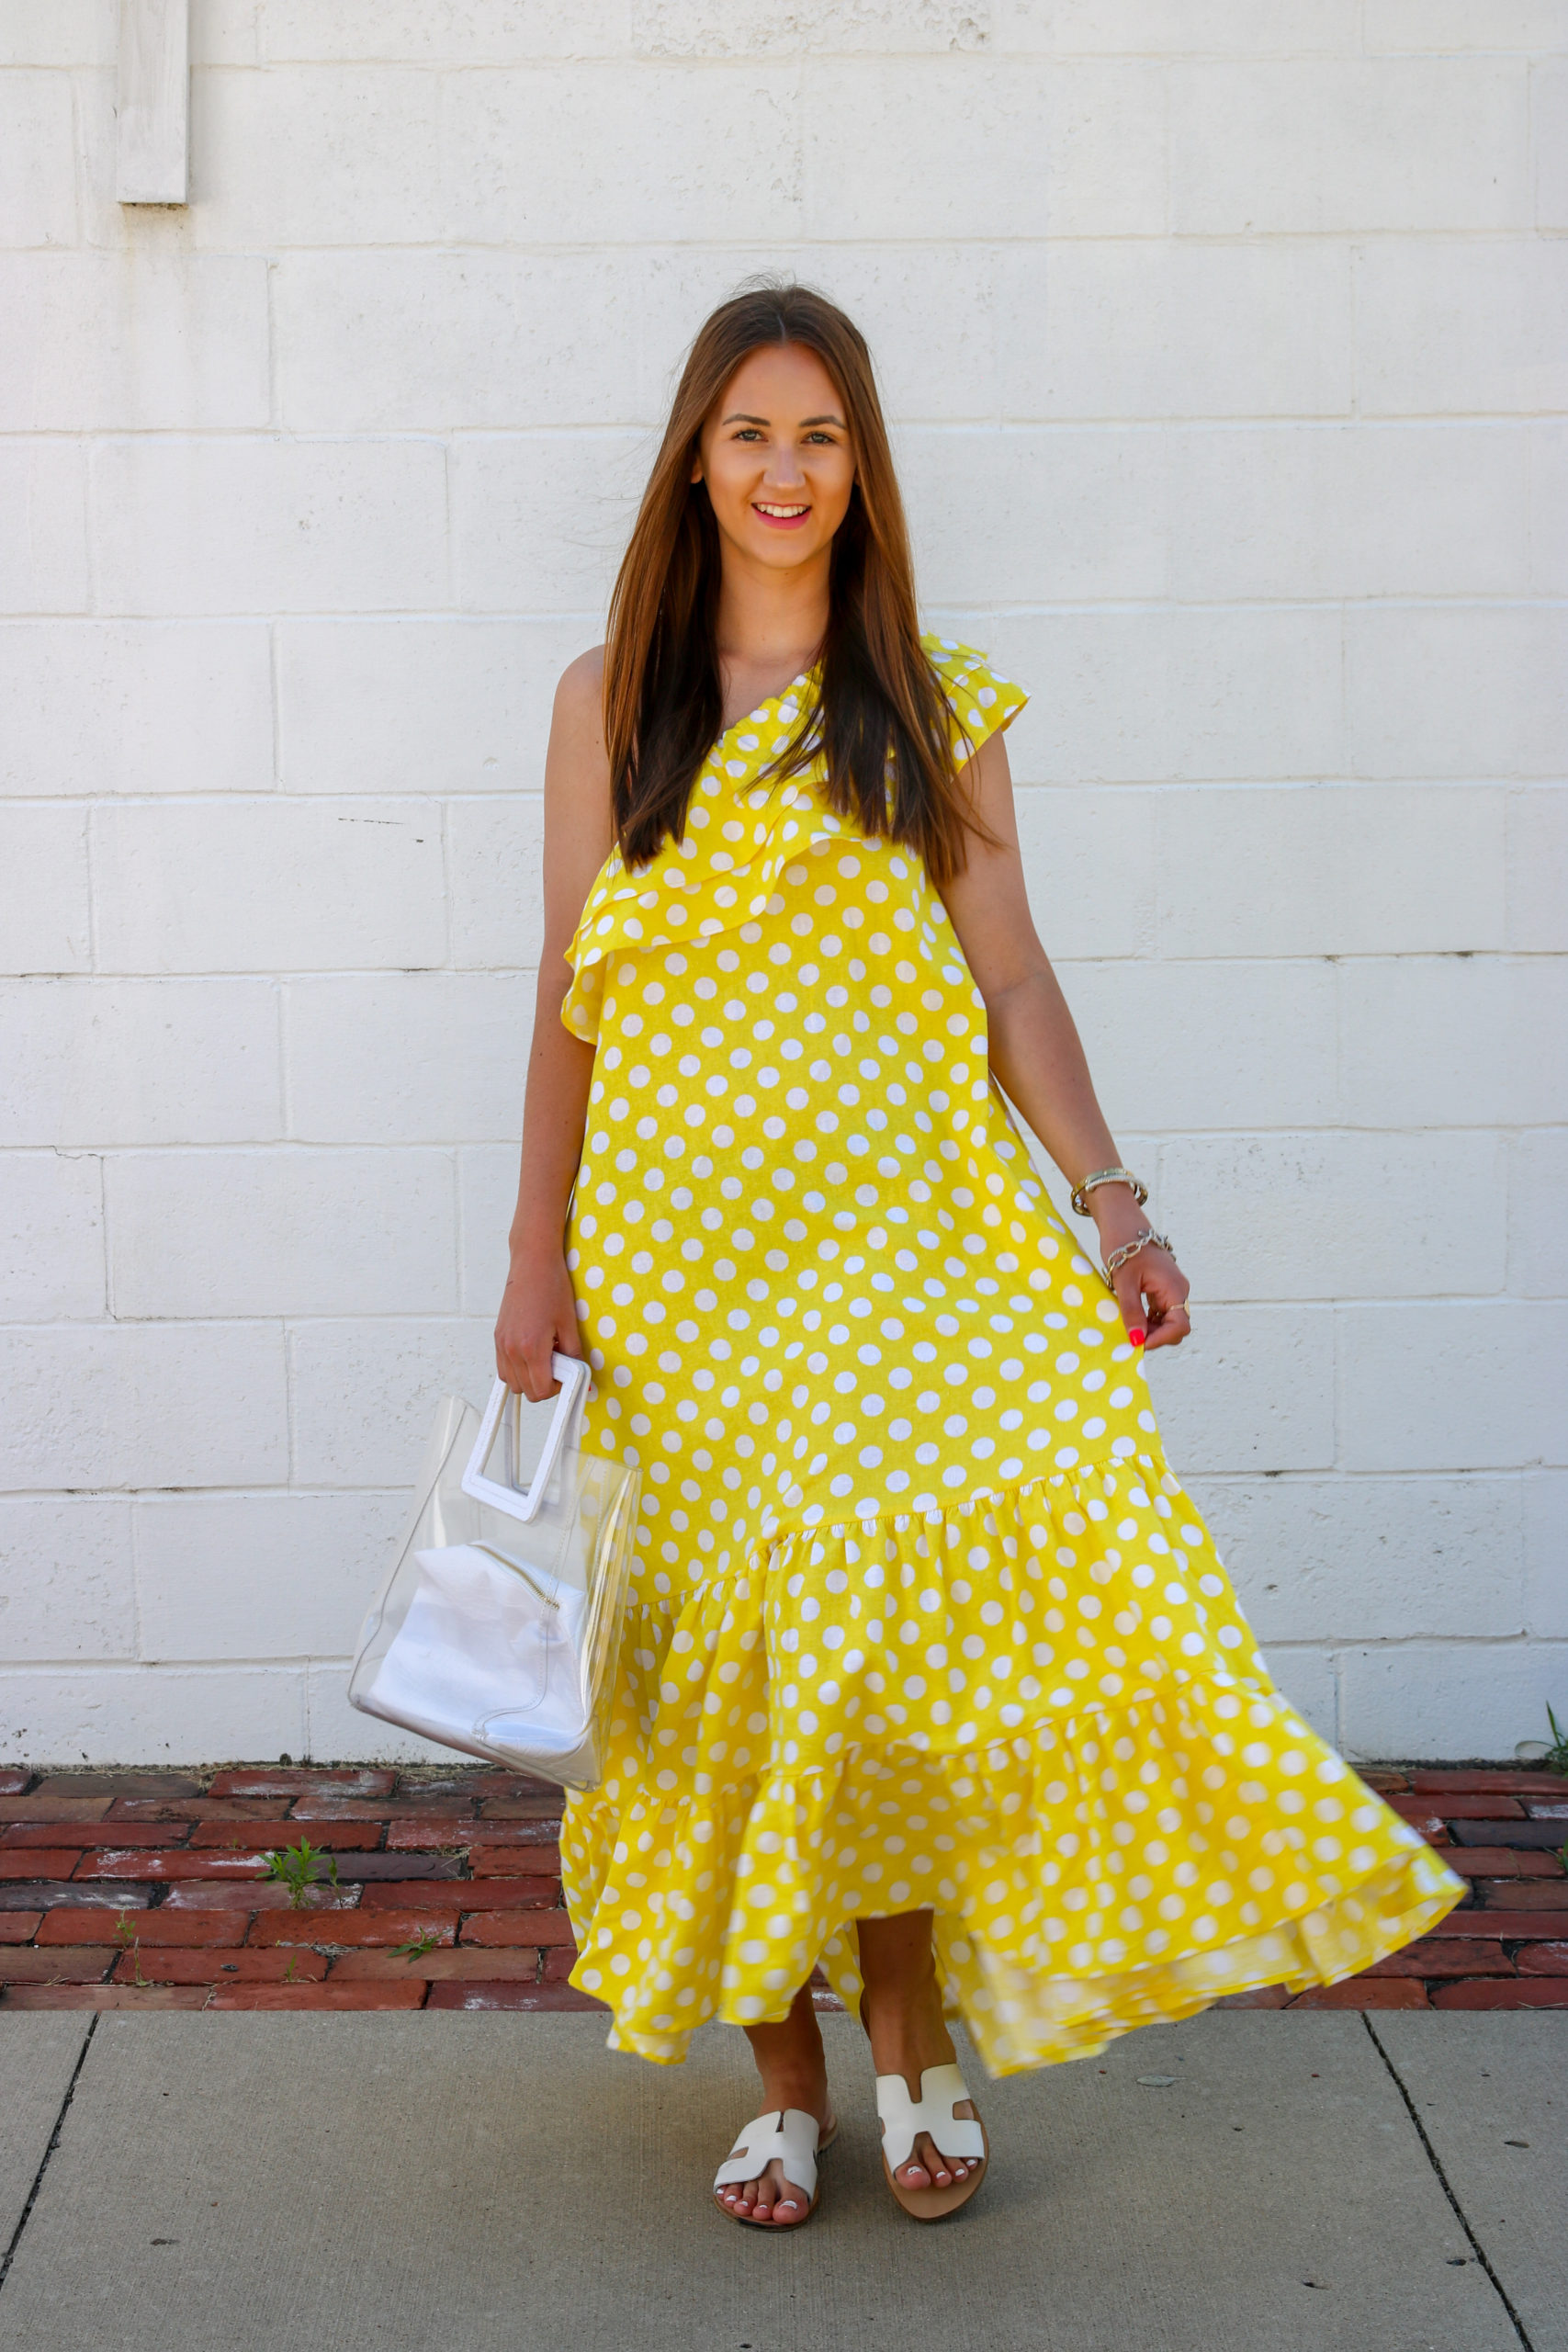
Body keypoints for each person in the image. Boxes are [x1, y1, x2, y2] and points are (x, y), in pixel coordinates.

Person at [493, 283, 1462, 2228]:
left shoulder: (925, 705)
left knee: (877, 1658)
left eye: (821, 437)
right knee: (724, 1672)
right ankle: (783, 2080)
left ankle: (912, 2032)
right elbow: (567, 992)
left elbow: (1010, 975)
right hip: (679, 1265)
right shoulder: (612, 699)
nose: (784, 471)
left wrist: (1113, 1199)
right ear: (695, 455)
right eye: (752, 432)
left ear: (861, 473)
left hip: (896, 1258)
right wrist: (534, 1246)